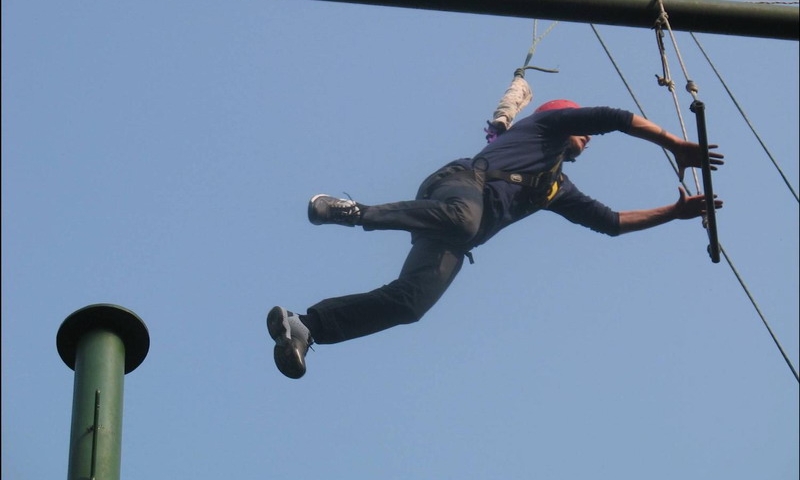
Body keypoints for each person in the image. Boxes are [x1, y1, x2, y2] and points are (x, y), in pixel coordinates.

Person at [266, 97, 724, 379]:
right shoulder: (543, 127)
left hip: (454, 230)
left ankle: (308, 327)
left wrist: (674, 213)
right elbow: (615, 117)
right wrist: (675, 145)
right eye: (580, 128)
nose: (588, 136)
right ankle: (354, 212)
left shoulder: (556, 187)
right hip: (459, 187)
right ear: (561, 118)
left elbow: (611, 222)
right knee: (465, 219)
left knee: (411, 304)